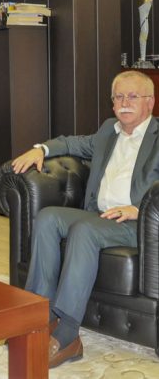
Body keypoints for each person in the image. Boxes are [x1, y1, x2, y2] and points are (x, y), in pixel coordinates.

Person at [11, 70, 159, 368]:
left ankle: (67, 335)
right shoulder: (108, 131)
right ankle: (39, 317)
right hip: (99, 215)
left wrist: (138, 209)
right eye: (118, 97)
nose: (124, 103)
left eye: (133, 96)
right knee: (48, 217)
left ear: (150, 102)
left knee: (84, 230)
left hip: (137, 224)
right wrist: (40, 149)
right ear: (112, 103)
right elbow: (72, 143)